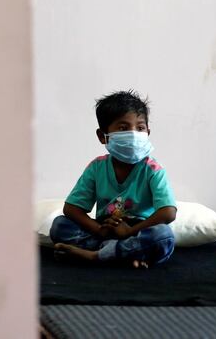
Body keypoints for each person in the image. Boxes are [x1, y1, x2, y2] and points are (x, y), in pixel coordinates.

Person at [50, 90, 176, 268]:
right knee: (59, 226)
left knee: (163, 236)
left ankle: (96, 256)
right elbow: (71, 209)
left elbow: (168, 212)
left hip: (138, 231)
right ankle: (122, 253)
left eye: (140, 128)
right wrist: (98, 229)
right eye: (123, 128)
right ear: (103, 136)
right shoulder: (97, 167)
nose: (133, 134)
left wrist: (130, 231)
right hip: (104, 230)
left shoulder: (153, 170)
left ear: (148, 132)